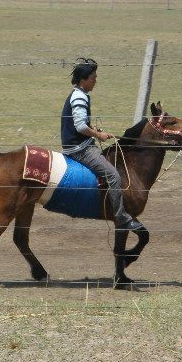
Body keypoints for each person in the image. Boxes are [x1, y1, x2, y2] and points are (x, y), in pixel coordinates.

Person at [61, 57, 144, 232]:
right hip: (80, 149)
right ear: (84, 79)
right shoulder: (79, 97)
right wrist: (98, 134)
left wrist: (93, 129)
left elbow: (82, 124)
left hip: (82, 144)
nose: (95, 81)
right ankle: (121, 218)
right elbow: (80, 126)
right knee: (114, 176)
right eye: (93, 78)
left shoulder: (79, 94)